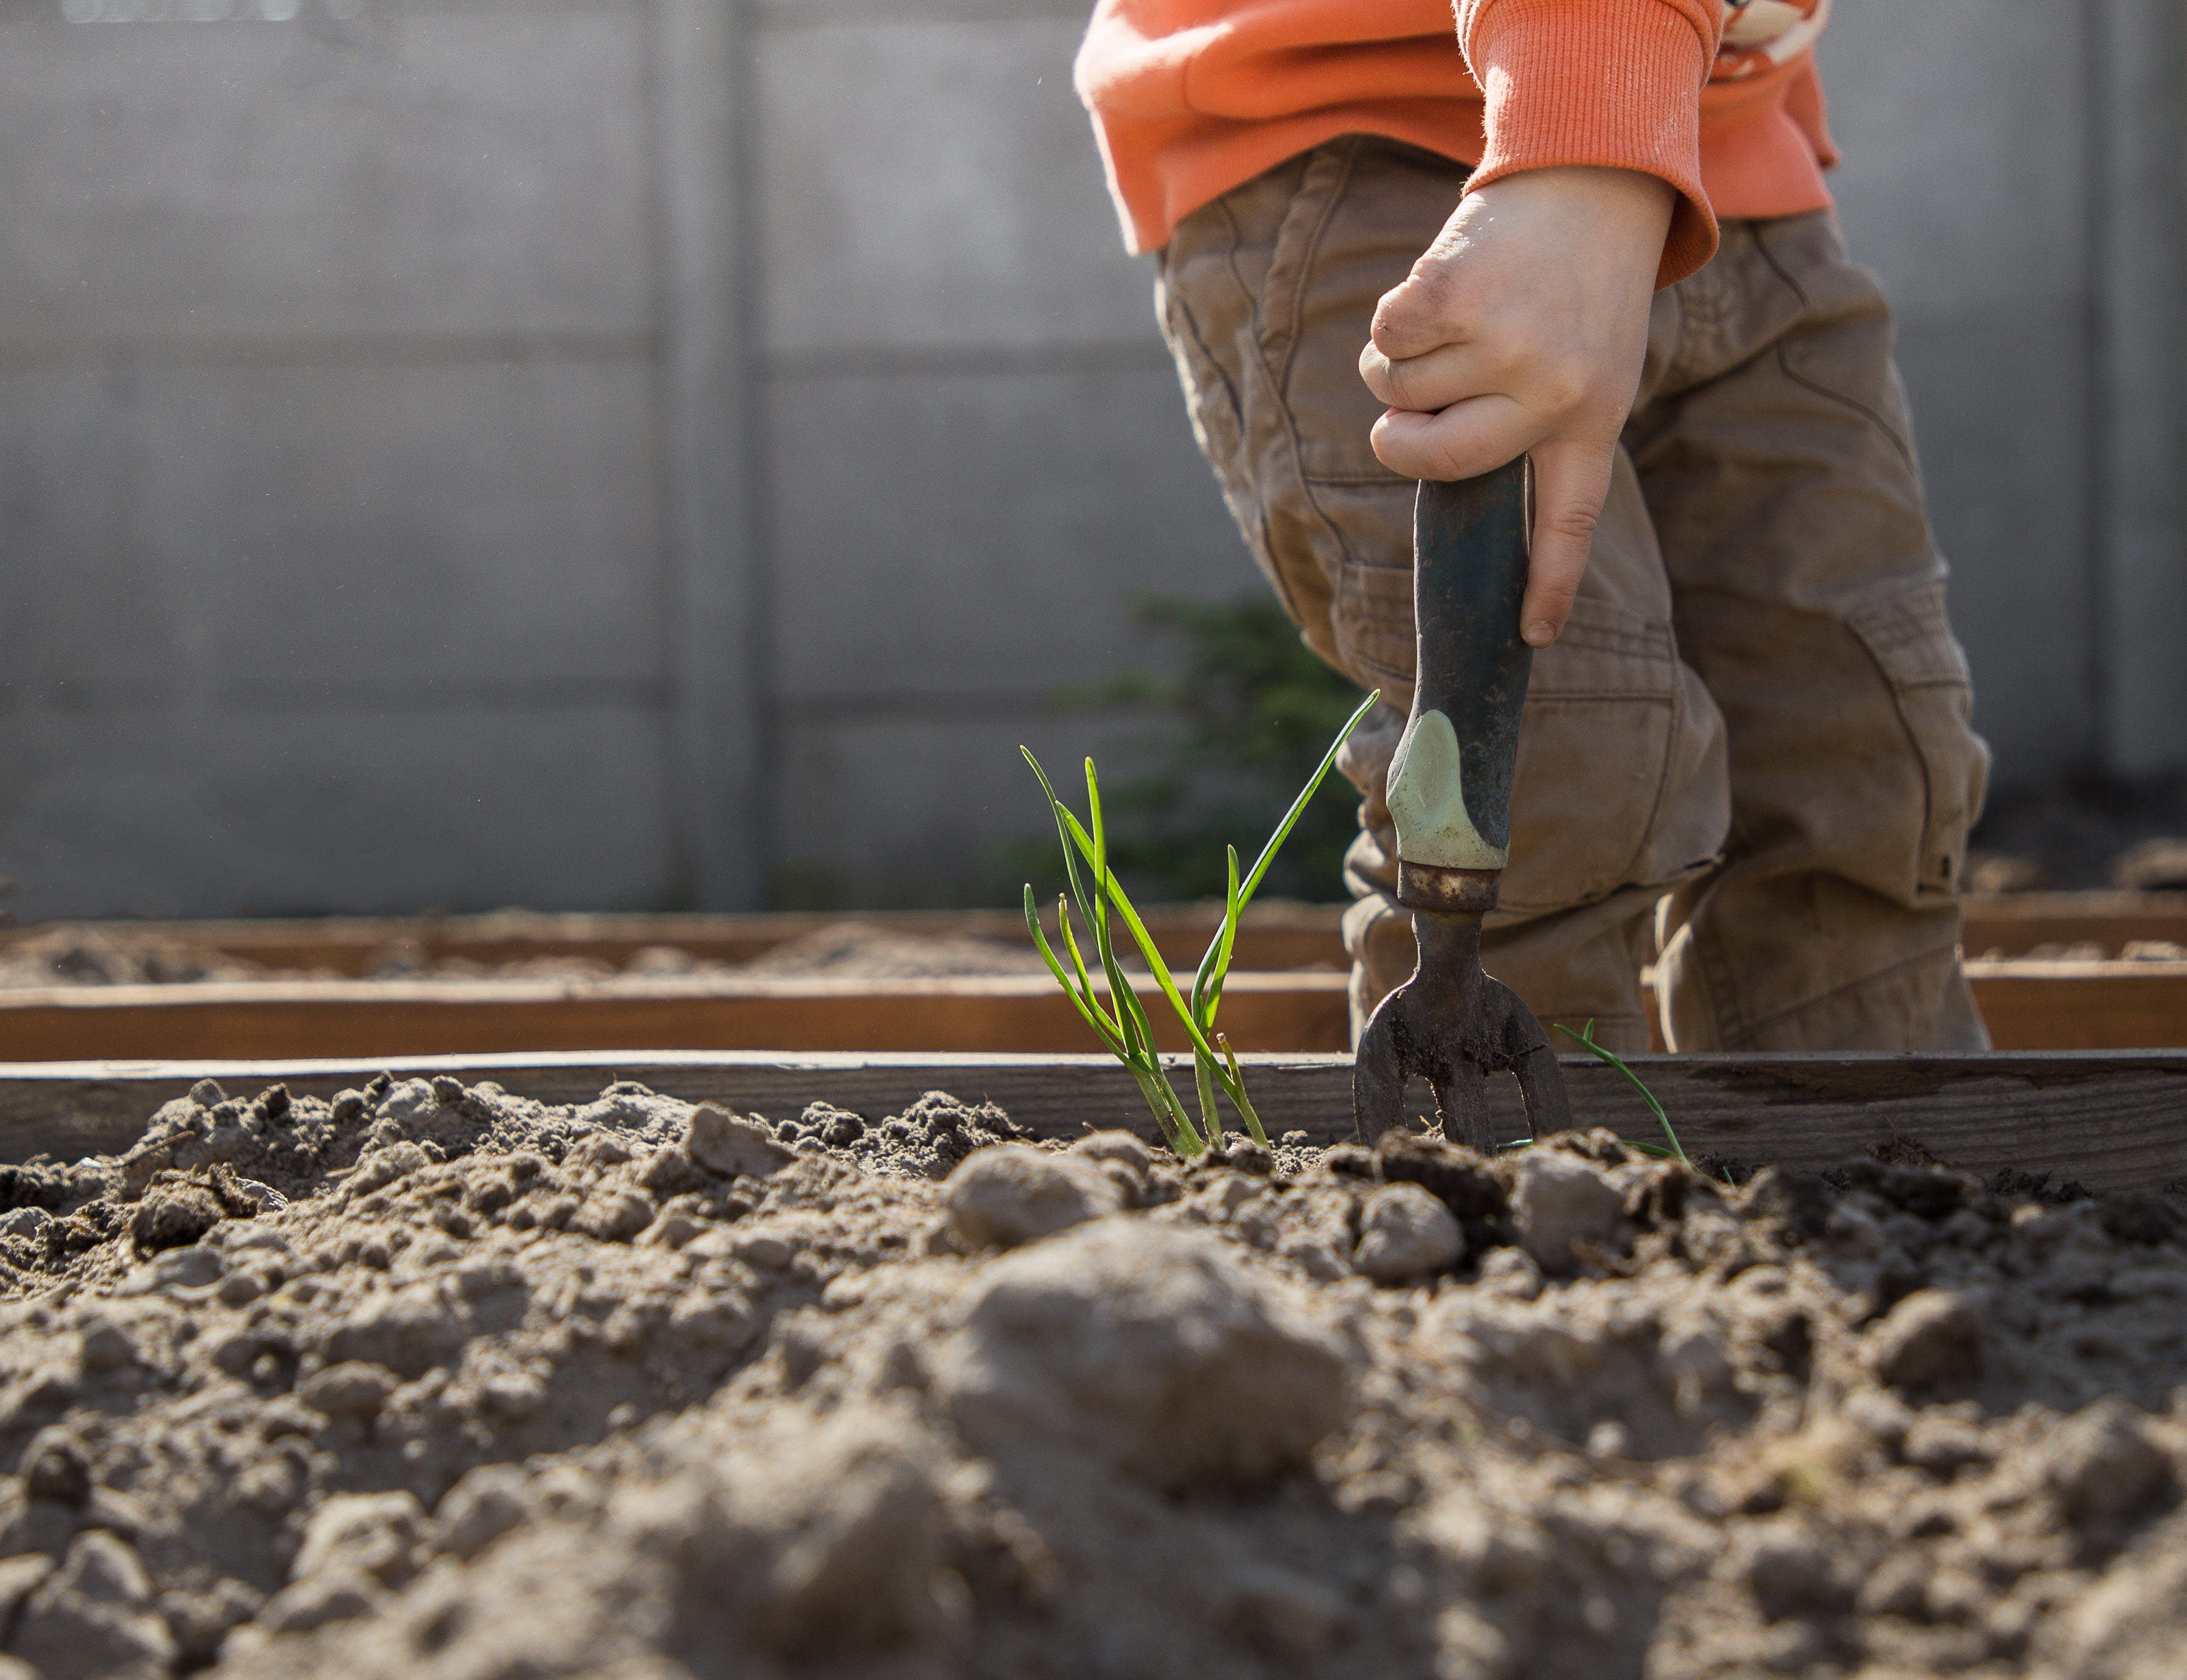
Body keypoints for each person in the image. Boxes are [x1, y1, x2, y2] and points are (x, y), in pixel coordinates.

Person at [1073, 0, 1992, 1054]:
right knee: (1554, 754)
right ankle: (1519, 1187)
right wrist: (1588, 103)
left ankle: (1875, 1180)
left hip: (1728, 150)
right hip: (1378, 121)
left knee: (1856, 749)